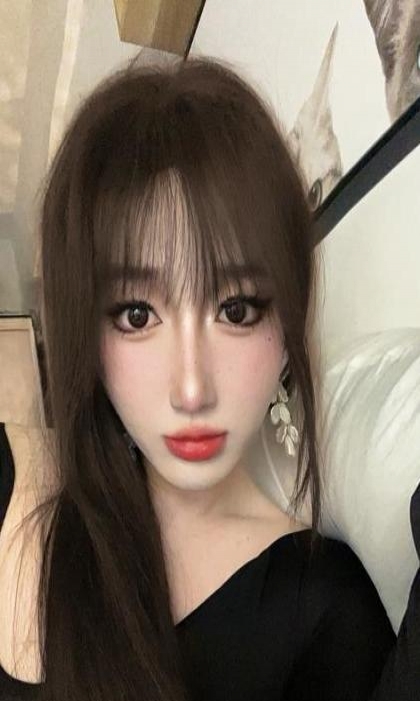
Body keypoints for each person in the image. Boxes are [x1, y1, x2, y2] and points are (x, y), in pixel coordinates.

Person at [0, 54, 417, 701]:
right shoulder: (14, 478)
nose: (191, 389)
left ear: (290, 323)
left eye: (237, 310)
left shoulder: (324, 615)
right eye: (138, 315)